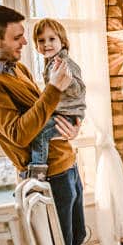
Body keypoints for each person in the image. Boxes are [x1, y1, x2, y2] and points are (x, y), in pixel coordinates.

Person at [0, 5, 85, 245]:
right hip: (47, 176)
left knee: (77, 237)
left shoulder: (16, 69)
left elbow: (45, 111)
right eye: (17, 37)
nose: (25, 42)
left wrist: (72, 126)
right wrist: (53, 88)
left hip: (67, 165)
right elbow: (19, 134)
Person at [29, 18, 86, 180]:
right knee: (39, 130)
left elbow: (79, 89)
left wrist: (65, 80)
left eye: (52, 39)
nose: (46, 44)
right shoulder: (50, 63)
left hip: (68, 115)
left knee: (39, 133)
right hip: (62, 113)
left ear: (63, 42)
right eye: (41, 40)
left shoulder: (64, 63)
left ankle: (38, 175)